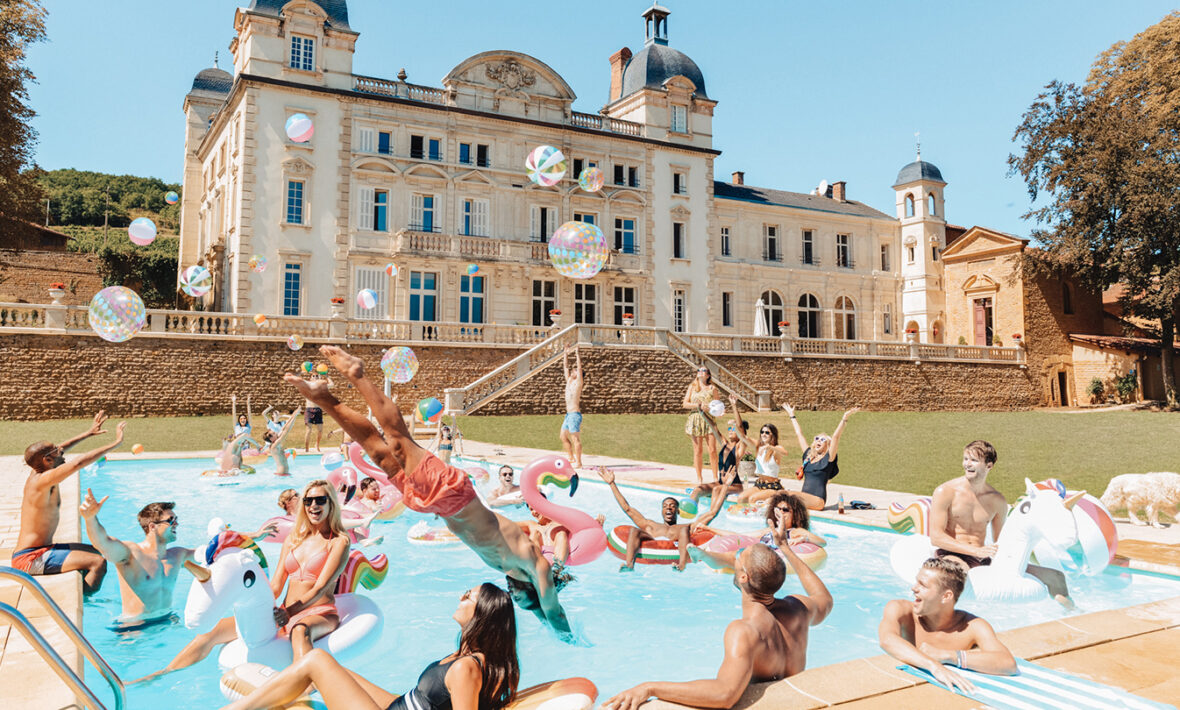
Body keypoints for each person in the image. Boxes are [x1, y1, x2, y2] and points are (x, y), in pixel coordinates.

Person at [289, 344, 573, 638]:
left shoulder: (512, 570)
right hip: (453, 494)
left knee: (377, 452)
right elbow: (553, 610)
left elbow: (542, 611)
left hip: (434, 505)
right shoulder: (535, 564)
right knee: (399, 441)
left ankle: (322, 397)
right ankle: (356, 372)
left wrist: (540, 616)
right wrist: (571, 639)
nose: (515, 600)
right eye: (525, 600)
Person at [604, 540, 834, 710]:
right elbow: (825, 599)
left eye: (740, 555)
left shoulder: (744, 631)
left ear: (744, 577)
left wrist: (650, 687)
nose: (735, 556)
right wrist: (786, 549)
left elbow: (724, 695)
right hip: (795, 700)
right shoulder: (798, 609)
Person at [220, 583, 520, 710]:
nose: (460, 598)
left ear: (483, 614)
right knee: (335, 670)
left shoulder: (468, 667)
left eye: (468, 597)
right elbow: (422, 703)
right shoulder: (464, 656)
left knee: (318, 661)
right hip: (397, 704)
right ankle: (286, 690)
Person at [81, 489, 275, 630]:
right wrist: (90, 518)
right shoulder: (131, 553)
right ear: (152, 526)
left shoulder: (178, 555)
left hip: (168, 621)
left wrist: (253, 536)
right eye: (171, 521)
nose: (177, 524)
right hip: (134, 628)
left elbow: (216, 547)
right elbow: (103, 542)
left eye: (176, 520)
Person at [929, 440, 1073, 607]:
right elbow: (936, 537)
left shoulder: (997, 500)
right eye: (965, 458)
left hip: (984, 557)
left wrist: (1026, 551)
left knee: (1056, 578)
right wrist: (976, 551)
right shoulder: (946, 492)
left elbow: (1002, 540)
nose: (967, 464)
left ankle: (1074, 613)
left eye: (974, 460)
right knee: (957, 576)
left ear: (989, 466)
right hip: (953, 554)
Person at [14, 412, 124, 594]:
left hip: (41, 549)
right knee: (98, 563)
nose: (62, 451)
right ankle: (86, 602)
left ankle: (83, 589)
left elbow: (63, 448)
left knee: (97, 550)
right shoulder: (42, 480)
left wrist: (88, 433)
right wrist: (115, 444)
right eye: (57, 451)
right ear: (47, 460)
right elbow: (77, 464)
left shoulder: (42, 468)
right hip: (30, 559)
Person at [879, 557, 1018, 694]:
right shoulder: (900, 609)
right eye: (917, 582)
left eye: (923, 585)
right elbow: (887, 640)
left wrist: (949, 656)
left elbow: (1008, 664)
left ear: (946, 596)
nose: (914, 588)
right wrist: (934, 666)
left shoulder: (973, 626)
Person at [271, 480, 350, 660]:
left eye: (320, 500)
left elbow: (320, 587)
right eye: (308, 501)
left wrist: (290, 612)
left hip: (319, 613)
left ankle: (306, 686)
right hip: (286, 612)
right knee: (215, 633)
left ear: (331, 503)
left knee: (300, 630)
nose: (313, 505)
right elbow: (276, 585)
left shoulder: (339, 541)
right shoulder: (293, 539)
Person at [597, 466, 728, 572]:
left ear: (677, 511)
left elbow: (712, 513)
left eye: (672, 506)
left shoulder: (686, 527)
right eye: (665, 506)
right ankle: (630, 565)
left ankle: (681, 566)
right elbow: (628, 509)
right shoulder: (650, 525)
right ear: (661, 511)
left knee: (684, 530)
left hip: (679, 544)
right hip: (650, 542)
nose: (668, 508)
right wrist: (612, 483)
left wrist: (726, 486)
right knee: (634, 531)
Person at [690, 492, 826, 572]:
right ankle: (704, 555)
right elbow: (740, 536)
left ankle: (705, 556)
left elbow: (822, 542)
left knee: (733, 558)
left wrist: (804, 539)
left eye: (785, 510)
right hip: (755, 553)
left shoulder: (796, 531)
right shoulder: (768, 530)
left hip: (768, 559)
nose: (781, 512)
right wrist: (710, 529)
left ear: (795, 515)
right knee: (732, 555)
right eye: (778, 509)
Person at [782, 403, 858, 511]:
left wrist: (844, 418)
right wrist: (791, 415)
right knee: (781, 497)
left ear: (827, 445)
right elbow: (799, 434)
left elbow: (836, 437)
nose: (819, 441)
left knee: (786, 495)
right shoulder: (808, 457)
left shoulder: (828, 459)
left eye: (823, 440)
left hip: (818, 501)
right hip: (804, 499)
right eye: (817, 438)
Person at [732, 396, 792, 508]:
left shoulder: (776, 450)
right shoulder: (758, 446)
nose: (763, 434)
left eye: (767, 433)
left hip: (772, 487)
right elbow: (742, 436)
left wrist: (770, 447)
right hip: (759, 484)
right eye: (762, 432)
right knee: (741, 498)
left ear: (772, 435)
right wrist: (734, 408)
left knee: (753, 499)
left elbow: (785, 452)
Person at [687, 407, 748, 504]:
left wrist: (734, 406)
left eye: (733, 429)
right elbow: (714, 427)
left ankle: (713, 514)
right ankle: (690, 512)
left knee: (717, 490)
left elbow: (741, 429)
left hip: (735, 486)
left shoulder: (740, 447)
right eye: (729, 428)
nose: (730, 430)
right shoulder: (725, 444)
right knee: (698, 490)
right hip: (720, 482)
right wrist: (702, 413)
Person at [683, 365, 720, 485]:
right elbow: (685, 404)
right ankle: (699, 478)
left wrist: (708, 408)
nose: (700, 372)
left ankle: (715, 477)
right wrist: (697, 406)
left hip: (708, 419)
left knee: (712, 449)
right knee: (697, 450)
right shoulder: (692, 387)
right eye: (699, 370)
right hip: (695, 419)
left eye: (703, 370)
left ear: (708, 375)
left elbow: (718, 406)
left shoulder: (712, 388)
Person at [560, 345, 585, 468]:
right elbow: (565, 367)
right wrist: (565, 354)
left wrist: (577, 354)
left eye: (574, 371)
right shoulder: (569, 381)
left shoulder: (578, 383)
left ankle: (579, 463)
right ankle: (571, 457)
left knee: (575, 439)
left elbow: (579, 368)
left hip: (574, 415)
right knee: (563, 436)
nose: (572, 371)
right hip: (568, 415)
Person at [263, 407, 301, 476]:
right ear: (271, 439)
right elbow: (286, 431)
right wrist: (294, 415)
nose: (276, 433)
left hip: (283, 473)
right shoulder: (274, 445)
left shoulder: (275, 442)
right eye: (274, 433)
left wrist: (294, 415)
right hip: (282, 473)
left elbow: (284, 428)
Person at [303, 373, 333, 452]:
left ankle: (317, 445)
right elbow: (299, 380)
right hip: (309, 409)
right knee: (308, 430)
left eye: (317, 376)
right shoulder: (308, 386)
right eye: (313, 376)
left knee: (320, 430)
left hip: (318, 410)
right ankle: (307, 449)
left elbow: (332, 384)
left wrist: (326, 376)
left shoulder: (321, 387)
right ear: (310, 378)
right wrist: (302, 372)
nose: (315, 377)